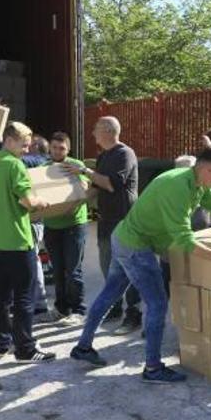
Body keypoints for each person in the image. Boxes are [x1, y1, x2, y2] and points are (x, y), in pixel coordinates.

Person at [70, 147, 211, 383]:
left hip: (124, 237)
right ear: (207, 169)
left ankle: (83, 347)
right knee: (157, 304)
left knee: (110, 293)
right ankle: (153, 368)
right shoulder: (177, 188)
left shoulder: (197, 185)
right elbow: (184, 239)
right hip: (135, 246)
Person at [0, 122, 54, 362]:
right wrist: (43, 202)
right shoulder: (15, 166)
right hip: (18, 240)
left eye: (28, 145)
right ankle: (25, 348)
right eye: (23, 145)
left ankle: (0, 344)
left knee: (3, 293)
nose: (26, 150)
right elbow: (29, 202)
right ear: (9, 141)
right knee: (24, 296)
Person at [72, 116, 143, 334]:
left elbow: (110, 184)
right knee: (107, 267)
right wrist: (70, 201)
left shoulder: (125, 154)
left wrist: (84, 170)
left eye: (95, 129)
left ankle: (133, 315)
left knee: (128, 269)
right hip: (106, 220)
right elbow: (95, 187)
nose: (93, 134)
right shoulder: (104, 156)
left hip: (124, 221)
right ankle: (114, 308)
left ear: (108, 131)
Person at [42, 132, 88, 322]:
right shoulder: (43, 169)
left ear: (68, 149)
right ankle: (62, 308)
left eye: (62, 148)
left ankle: (79, 310)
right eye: (54, 147)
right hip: (52, 225)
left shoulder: (76, 165)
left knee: (73, 269)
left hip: (74, 225)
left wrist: (80, 181)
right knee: (58, 269)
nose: (57, 151)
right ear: (50, 148)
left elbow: (87, 188)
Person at [21, 134, 53, 320]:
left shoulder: (38, 161)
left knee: (32, 260)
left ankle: (39, 303)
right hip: (35, 220)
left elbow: (23, 160)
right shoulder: (42, 163)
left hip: (33, 220)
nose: (25, 148)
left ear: (37, 148)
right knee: (34, 259)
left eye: (29, 145)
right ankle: (37, 302)